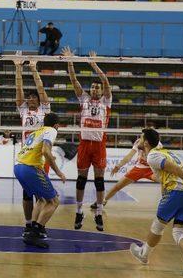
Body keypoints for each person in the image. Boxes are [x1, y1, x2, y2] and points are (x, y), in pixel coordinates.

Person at [129, 128, 183, 277]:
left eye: (141, 138)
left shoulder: (153, 156)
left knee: (158, 226)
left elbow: (179, 172)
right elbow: (165, 176)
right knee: (179, 232)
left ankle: (144, 254)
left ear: (146, 142)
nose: (138, 141)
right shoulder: (165, 153)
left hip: (177, 193)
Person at [63, 47, 111, 231]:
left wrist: (93, 65)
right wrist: (70, 60)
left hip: (99, 145)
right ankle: (79, 211)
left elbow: (106, 81)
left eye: (97, 87)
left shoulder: (106, 101)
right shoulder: (83, 99)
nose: (95, 88)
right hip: (84, 144)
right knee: (81, 180)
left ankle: (98, 212)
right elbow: (73, 80)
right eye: (93, 86)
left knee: (99, 180)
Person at [14, 113, 66, 248]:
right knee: (54, 201)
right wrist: (59, 172)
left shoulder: (36, 131)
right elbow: (46, 151)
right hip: (30, 167)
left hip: (18, 166)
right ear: (57, 125)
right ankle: (35, 232)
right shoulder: (51, 130)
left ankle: (32, 228)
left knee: (42, 199)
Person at [14, 56, 51, 233]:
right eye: (29, 98)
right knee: (27, 193)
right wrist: (18, 69)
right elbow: (18, 89)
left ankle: (37, 224)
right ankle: (29, 223)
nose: (30, 99)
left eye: (33, 97)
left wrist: (34, 69)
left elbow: (42, 89)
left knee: (42, 195)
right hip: (27, 156)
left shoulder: (44, 110)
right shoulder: (23, 110)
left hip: (41, 156)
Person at [90, 135, 159, 210]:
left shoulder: (157, 144)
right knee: (117, 186)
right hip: (138, 169)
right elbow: (129, 156)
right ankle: (102, 201)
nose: (140, 138)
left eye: (142, 136)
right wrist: (119, 165)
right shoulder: (138, 143)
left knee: (166, 182)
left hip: (151, 169)